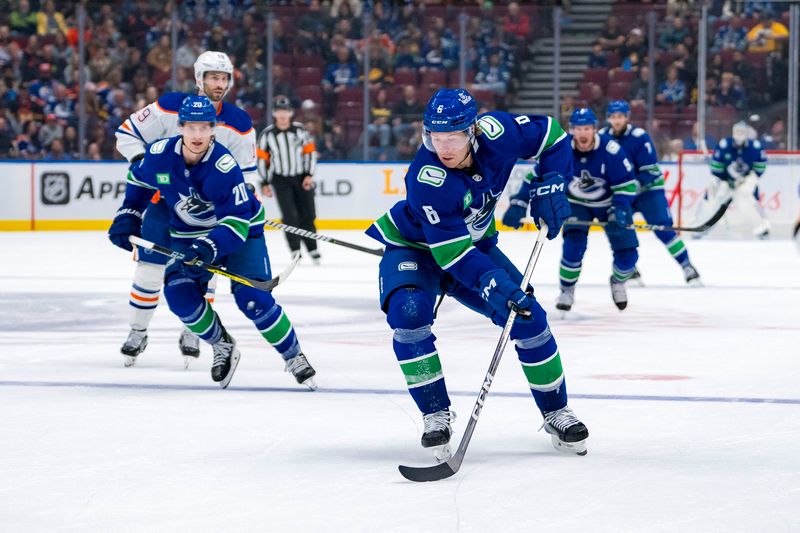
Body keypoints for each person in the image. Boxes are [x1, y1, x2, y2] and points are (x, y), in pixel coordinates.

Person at [366, 88, 589, 461]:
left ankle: (556, 411)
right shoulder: (427, 178)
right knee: (408, 315)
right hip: (416, 249)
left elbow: (552, 135)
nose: (443, 148)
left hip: (475, 247)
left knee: (530, 318)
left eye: (452, 137)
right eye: (435, 138)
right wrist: (494, 284)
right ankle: (435, 413)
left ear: (473, 132)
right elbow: (453, 255)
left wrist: (552, 181)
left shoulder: (499, 132)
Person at [107, 96, 317, 390]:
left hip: (241, 231)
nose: (196, 135)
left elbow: (235, 222)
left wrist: (209, 248)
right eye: (190, 127)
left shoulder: (222, 167)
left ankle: (293, 356)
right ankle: (223, 345)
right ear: (179, 127)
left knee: (253, 299)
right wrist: (128, 214)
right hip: (188, 234)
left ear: (213, 129)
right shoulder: (158, 154)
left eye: (203, 128)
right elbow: (139, 179)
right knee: (179, 294)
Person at [114, 51, 259, 367]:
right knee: (149, 271)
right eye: (213, 77)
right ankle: (137, 331)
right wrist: (146, 169)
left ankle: (192, 330)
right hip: (162, 206)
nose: (219, 84)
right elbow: (126, 134)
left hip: (206, 214)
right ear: (199, 78)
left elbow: (248, 176)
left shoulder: (239, 123)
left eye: (224, 78)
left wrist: (242, 202)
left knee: (202, 272)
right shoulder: (169, 107)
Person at [507, 108, 638, 312]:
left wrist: (620, 207)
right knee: (573, 249)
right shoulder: (562, 148)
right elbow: (537, 176)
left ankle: (618, 282)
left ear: (595, 129)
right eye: (578, 128)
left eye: (587, 128)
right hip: (576, 203)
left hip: (610, 204)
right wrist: (519, 202)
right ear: (572, 130)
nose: (582, 133)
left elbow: (628, 184)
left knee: (629, 255)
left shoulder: (611, 150)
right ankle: (567, 290)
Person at [600, 100, 701, 286]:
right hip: (623, 193)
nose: (616, 120)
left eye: (620, 117)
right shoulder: (601, 138)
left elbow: (649, 171)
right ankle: (630, 270)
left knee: (664, 230)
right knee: (620, 230)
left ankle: (687, 266)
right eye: (613, 117)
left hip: (648, 190)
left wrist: (630, 187)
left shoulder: (639, 137)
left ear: (627, 117)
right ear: (608, 118)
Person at [257, 96, 320, 263]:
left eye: (285, 111)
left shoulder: (300, 131)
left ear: (291, 113)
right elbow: (262, 160)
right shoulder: (267, 135)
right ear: (274, 113)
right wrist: (264, 183)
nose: (282, 114)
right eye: (279, 111)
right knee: (289, 216)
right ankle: (295, 250)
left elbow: (310, 153)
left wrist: (309, 174)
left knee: (308, 214)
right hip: (280, 179)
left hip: (301, 177)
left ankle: (313, 249)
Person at [701, 121, 769, 238]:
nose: (739, 134)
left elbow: (760, 167)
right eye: (737, 131)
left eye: (742, 131)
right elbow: (717, 167)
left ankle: (762, 228)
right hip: (726, 181)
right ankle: (703, 225)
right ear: (733, 132)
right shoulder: (724, 145)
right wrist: (719, 180)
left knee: (746, 196)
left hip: (744, 181)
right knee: (715, 197)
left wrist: (749, 179)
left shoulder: (755, 147)